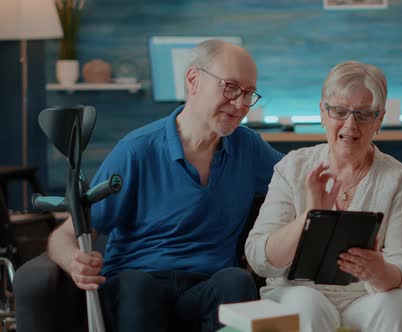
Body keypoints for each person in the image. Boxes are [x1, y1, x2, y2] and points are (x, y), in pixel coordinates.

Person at [46, 39, 283, 332]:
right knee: (138, 286)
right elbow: (63, 236)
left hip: (204, 288)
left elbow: (300, 174)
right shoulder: (137, 149)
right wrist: (74, 261)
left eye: (248, 94)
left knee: (236, 280)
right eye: (231, 87)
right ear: (194, 80)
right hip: (139, 284)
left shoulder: (249, 148)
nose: (240, 104)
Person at [245, 61, 402, 332]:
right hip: (299, 293)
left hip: (368, 297)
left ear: (379, 119)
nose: (350, 125)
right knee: (304, 307)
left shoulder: (398, 178)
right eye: (340, 111)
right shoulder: (291, 167)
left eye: (364, 114)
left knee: (400, 308)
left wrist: (382, 271)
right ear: (322, 112)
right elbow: (258, 257)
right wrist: (307, 217)